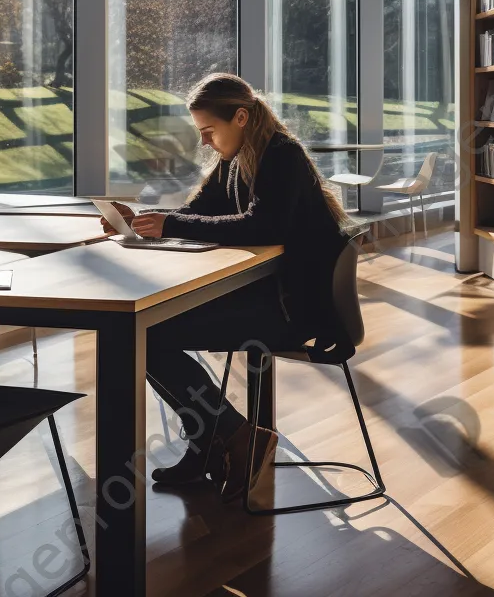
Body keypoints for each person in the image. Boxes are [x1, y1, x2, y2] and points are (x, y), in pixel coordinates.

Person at [132, 72, 352, 502]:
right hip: (270, 295)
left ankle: (229, 436)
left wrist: (170, 224)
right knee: (147, 332)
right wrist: (144, 219)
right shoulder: (237, 158)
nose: (205, 143)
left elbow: (262, 224)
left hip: (296, 309)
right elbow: (197, 212)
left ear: (240, 118)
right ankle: (217, 441)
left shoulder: (281, 156)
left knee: (148, 334)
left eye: (209, 131)